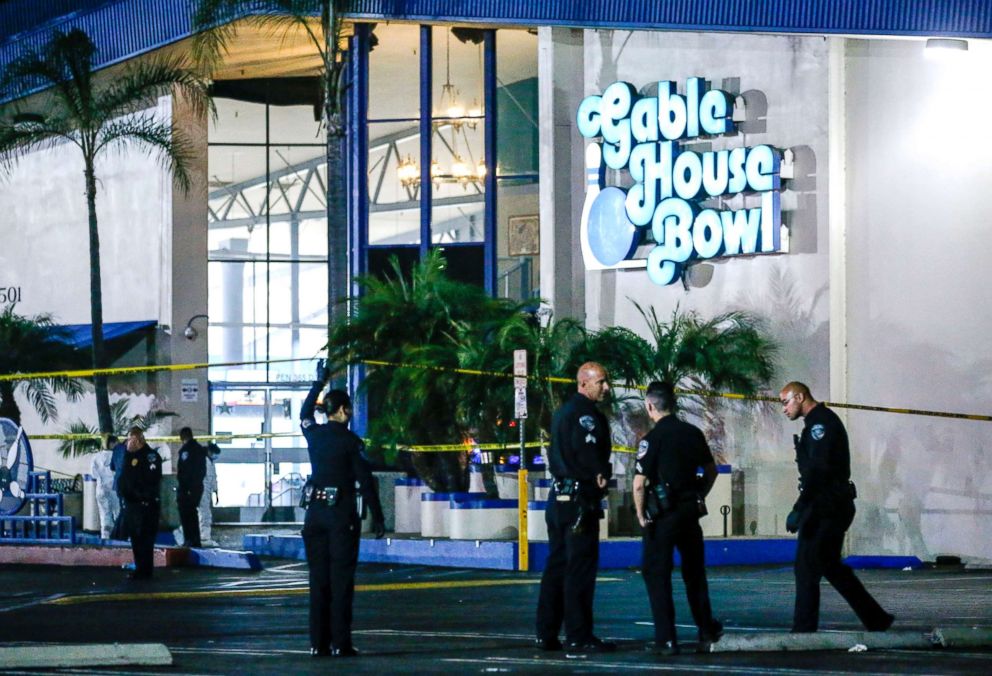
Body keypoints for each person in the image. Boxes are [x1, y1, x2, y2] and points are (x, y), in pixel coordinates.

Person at [780, 381, 895, 633]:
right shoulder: (816, 423)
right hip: (830, 504)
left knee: (807, 565)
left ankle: (803, 630)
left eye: (786, 401)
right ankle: (876, 618)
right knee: (829, 565)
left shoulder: (820, 424)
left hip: (826, 506)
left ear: (800, 397)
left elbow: (817, 471)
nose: (784, 408)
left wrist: (800, 507)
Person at [301, 359, 385, 658]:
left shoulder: (313, 434)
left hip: (314, 514)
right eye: (347, 409)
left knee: (318, 581)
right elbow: (366, 481)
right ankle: (341, 643)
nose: (349, 414)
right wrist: (377, 516)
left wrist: (318, 383)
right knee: (341, 581)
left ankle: (317, 643)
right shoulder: (350, 441)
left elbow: (304, 413)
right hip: (340, 516)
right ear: (342, 411)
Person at [633, 382, 723, 655]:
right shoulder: (692, 433)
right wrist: (699, 495)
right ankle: (706, 629)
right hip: (689, 512)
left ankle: (667, 639)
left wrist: (640, 515)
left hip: (663, 515)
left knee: (656, 574)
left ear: (650, 406)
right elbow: (712, 471)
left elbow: (639, 483)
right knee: (694, 574)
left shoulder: (652, 439)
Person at [535, 362, 616, 656]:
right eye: (601, 382)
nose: (606, 388)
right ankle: (579, 635)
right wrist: (598, 476)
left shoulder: (562, 413)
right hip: (581, 499)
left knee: (556, 565)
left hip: (559, 498)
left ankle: (546, 632)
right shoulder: (586, 416)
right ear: (584, 383)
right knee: (579, 569)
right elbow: (588, 455)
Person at [118, 426, 162, 580]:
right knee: (136, 539)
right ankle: (140, 569)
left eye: (129, 439)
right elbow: (124, 478)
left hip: (146, 505)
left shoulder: (151, 456)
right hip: (132, 505)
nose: (127, 443)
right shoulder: (130, 457)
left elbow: (150, 481)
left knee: (145, 539)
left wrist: (139, 495)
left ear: (136, 439)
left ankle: (146, 570)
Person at [174, 427, 206, 548]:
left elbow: (184, 471)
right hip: (197, 487)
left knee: (186, 515)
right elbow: (201, 471)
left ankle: (189, 540)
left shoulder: (187, 451)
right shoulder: (199, 449)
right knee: (192, 514)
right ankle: (195, 540)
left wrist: (185, 487)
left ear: (182, 437)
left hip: (187, 488)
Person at [90, 436, 119, 539]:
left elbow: (93, 474)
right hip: (114, 489)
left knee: (104, 514)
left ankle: (105, 537)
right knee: (118, 513)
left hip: (101, 489)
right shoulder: (117, 455)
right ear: (112, 443)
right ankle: (119, 537)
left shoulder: (96, 457)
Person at [198, 442, 220, 547]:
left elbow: (213, 478)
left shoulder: (209, 462)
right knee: (205, 515)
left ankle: (203, 536)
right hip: (202, 491)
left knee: (203, 514)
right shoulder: (203, 460)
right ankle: (204, 537)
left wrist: (216, 491)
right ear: (210, 452)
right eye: (215, 453)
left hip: (206, 491)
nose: (216, 456)